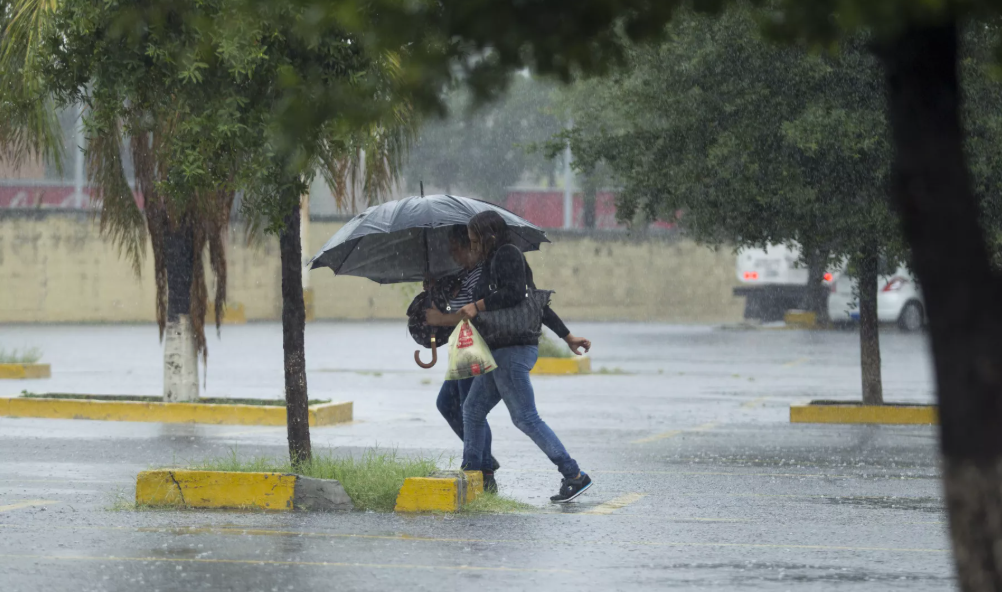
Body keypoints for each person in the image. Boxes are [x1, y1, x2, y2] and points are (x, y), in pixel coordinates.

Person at [457, 210, 593, 503]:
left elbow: (517, 296)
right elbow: (536, 303)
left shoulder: (507, 254)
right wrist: (567, 336)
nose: (473, 246)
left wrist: (477, 306)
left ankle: (574, 475)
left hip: (513, 349)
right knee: (473, 410)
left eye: (475, 240)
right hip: (500, 350)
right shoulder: (493, 262)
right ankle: (471, 475)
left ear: (489, 236)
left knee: (525, 417)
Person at [424, 225, 500, 490]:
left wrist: (440, 318)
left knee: (472, 410)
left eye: (457, 249)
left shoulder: (481, 274)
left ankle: (484, 469)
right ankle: (484, 458)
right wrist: (436, 290)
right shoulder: (466, 274)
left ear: (471, 246)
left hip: (475, 346)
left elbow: (469, 313)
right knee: (448, 403)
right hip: (462, 347)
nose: (453, 256)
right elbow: (456, 306)